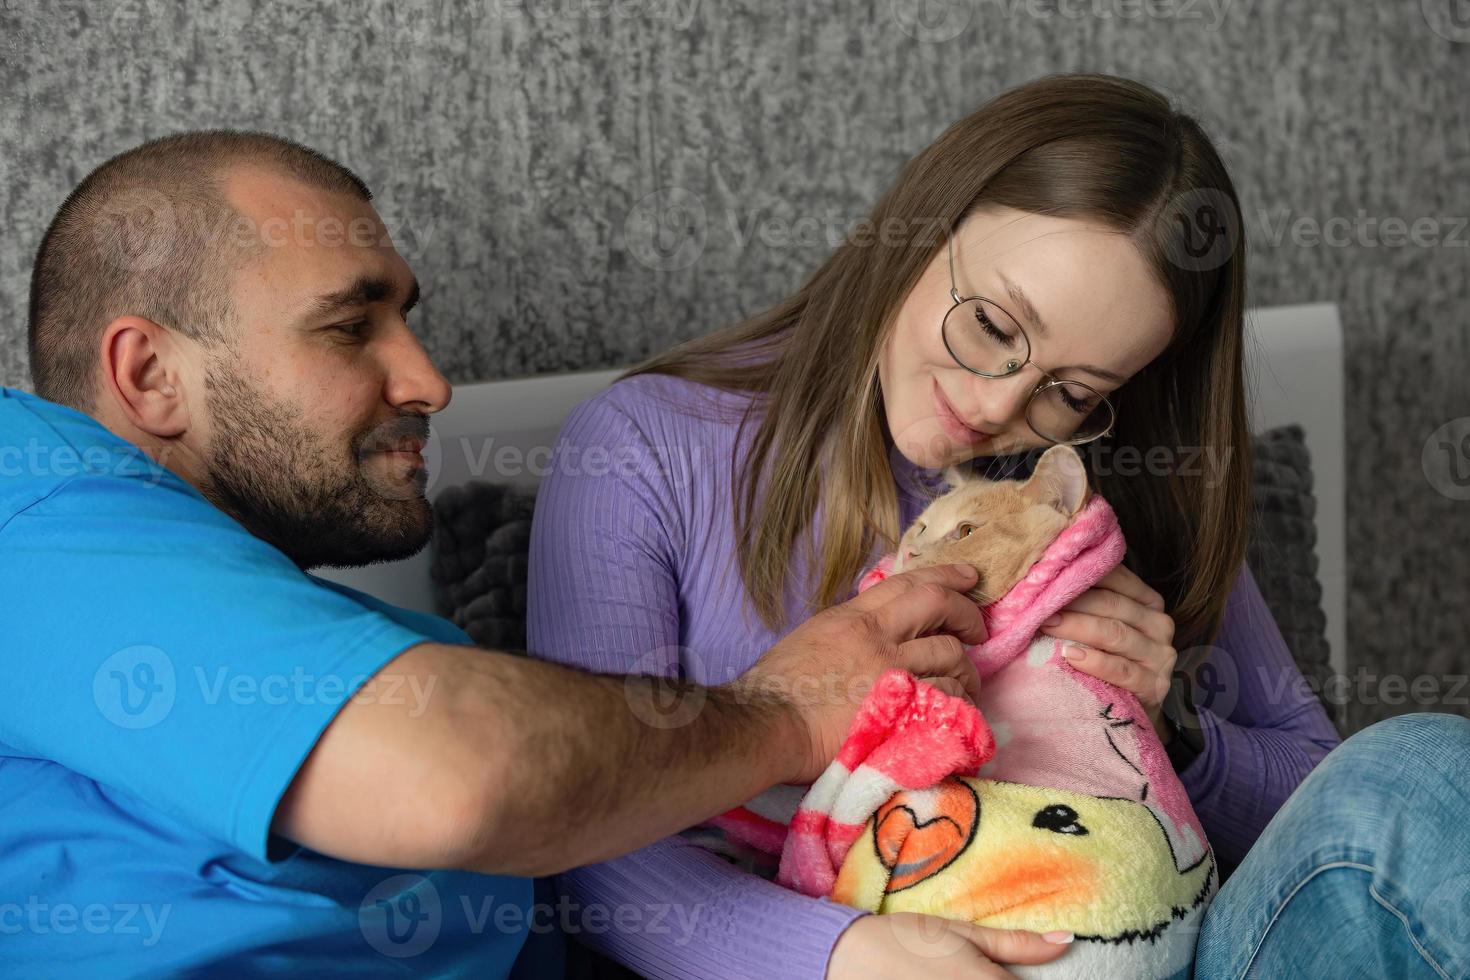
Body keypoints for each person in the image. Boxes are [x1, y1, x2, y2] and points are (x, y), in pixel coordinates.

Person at [1, 130, 1018, 977]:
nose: (430, 381)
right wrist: (787, 714)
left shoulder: (385, 644)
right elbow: (461, 775)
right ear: (149, 373)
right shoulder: (32, 504)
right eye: (352, 326)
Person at [526, 72, 1470, 979]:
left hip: (1152, 949)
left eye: (1070, 391)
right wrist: (839, 957)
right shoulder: (649, 447)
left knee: (1426, 761)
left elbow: (1330, 806)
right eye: (990, 325)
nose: (994, 405)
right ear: (922, 227)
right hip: (850, 952)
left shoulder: (1090, 492)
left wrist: (1173, 724)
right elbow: (585, 844)